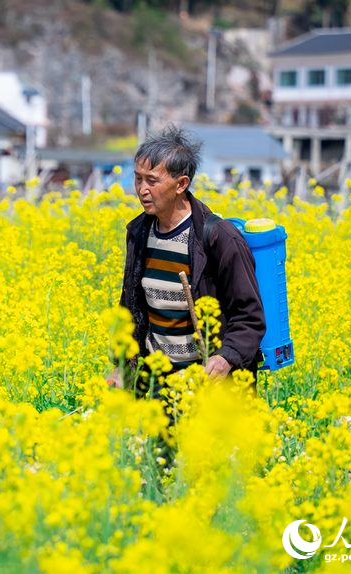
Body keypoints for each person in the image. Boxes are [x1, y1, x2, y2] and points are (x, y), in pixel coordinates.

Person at [107, 124, 266, 398]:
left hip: (205, 388)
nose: (141, 189)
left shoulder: (219, 238)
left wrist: (226, 357)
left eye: (152, 181)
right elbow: (131, 309)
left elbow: (249, 317)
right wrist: (122, 366)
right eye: (138, 179)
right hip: (157, 386)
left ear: (181, 184)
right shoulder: (139, 233)